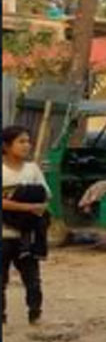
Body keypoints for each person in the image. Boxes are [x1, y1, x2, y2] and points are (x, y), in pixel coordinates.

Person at [2, 126, 49, 326]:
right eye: (21, 141)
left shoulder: (32, 170)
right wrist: (27, 206)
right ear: (6, 146)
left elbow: (45, 196)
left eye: (28, 141)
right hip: (4, 235)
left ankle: (35, 315)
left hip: (27, 236)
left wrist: (32, 205)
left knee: (33, 280)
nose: (26, 145)